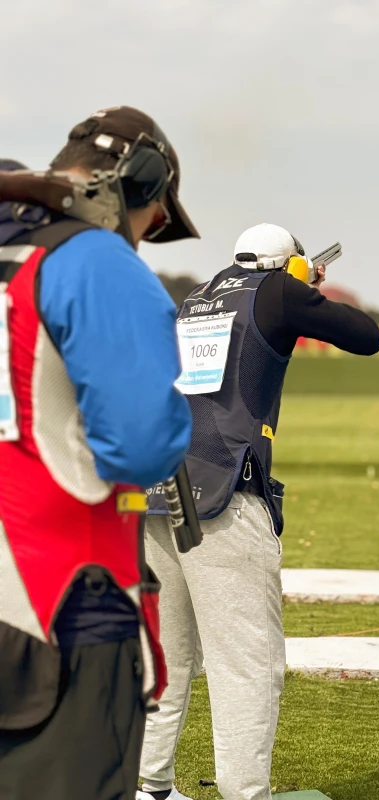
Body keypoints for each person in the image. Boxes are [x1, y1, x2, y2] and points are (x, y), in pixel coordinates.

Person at [139, 223, 379, 800]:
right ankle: (246, 794)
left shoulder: (195, 298)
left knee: (166, 658)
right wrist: (303, 288)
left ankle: (149, 787)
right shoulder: (276, 290)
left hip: (158, 492)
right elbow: (365, 336)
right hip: (224, 499)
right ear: (286, 265)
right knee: (248, 662)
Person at [0, 105, 199, 800]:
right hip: (63, 612)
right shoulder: (91, 257)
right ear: (139, 181)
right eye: (154, 220)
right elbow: (143, 444)